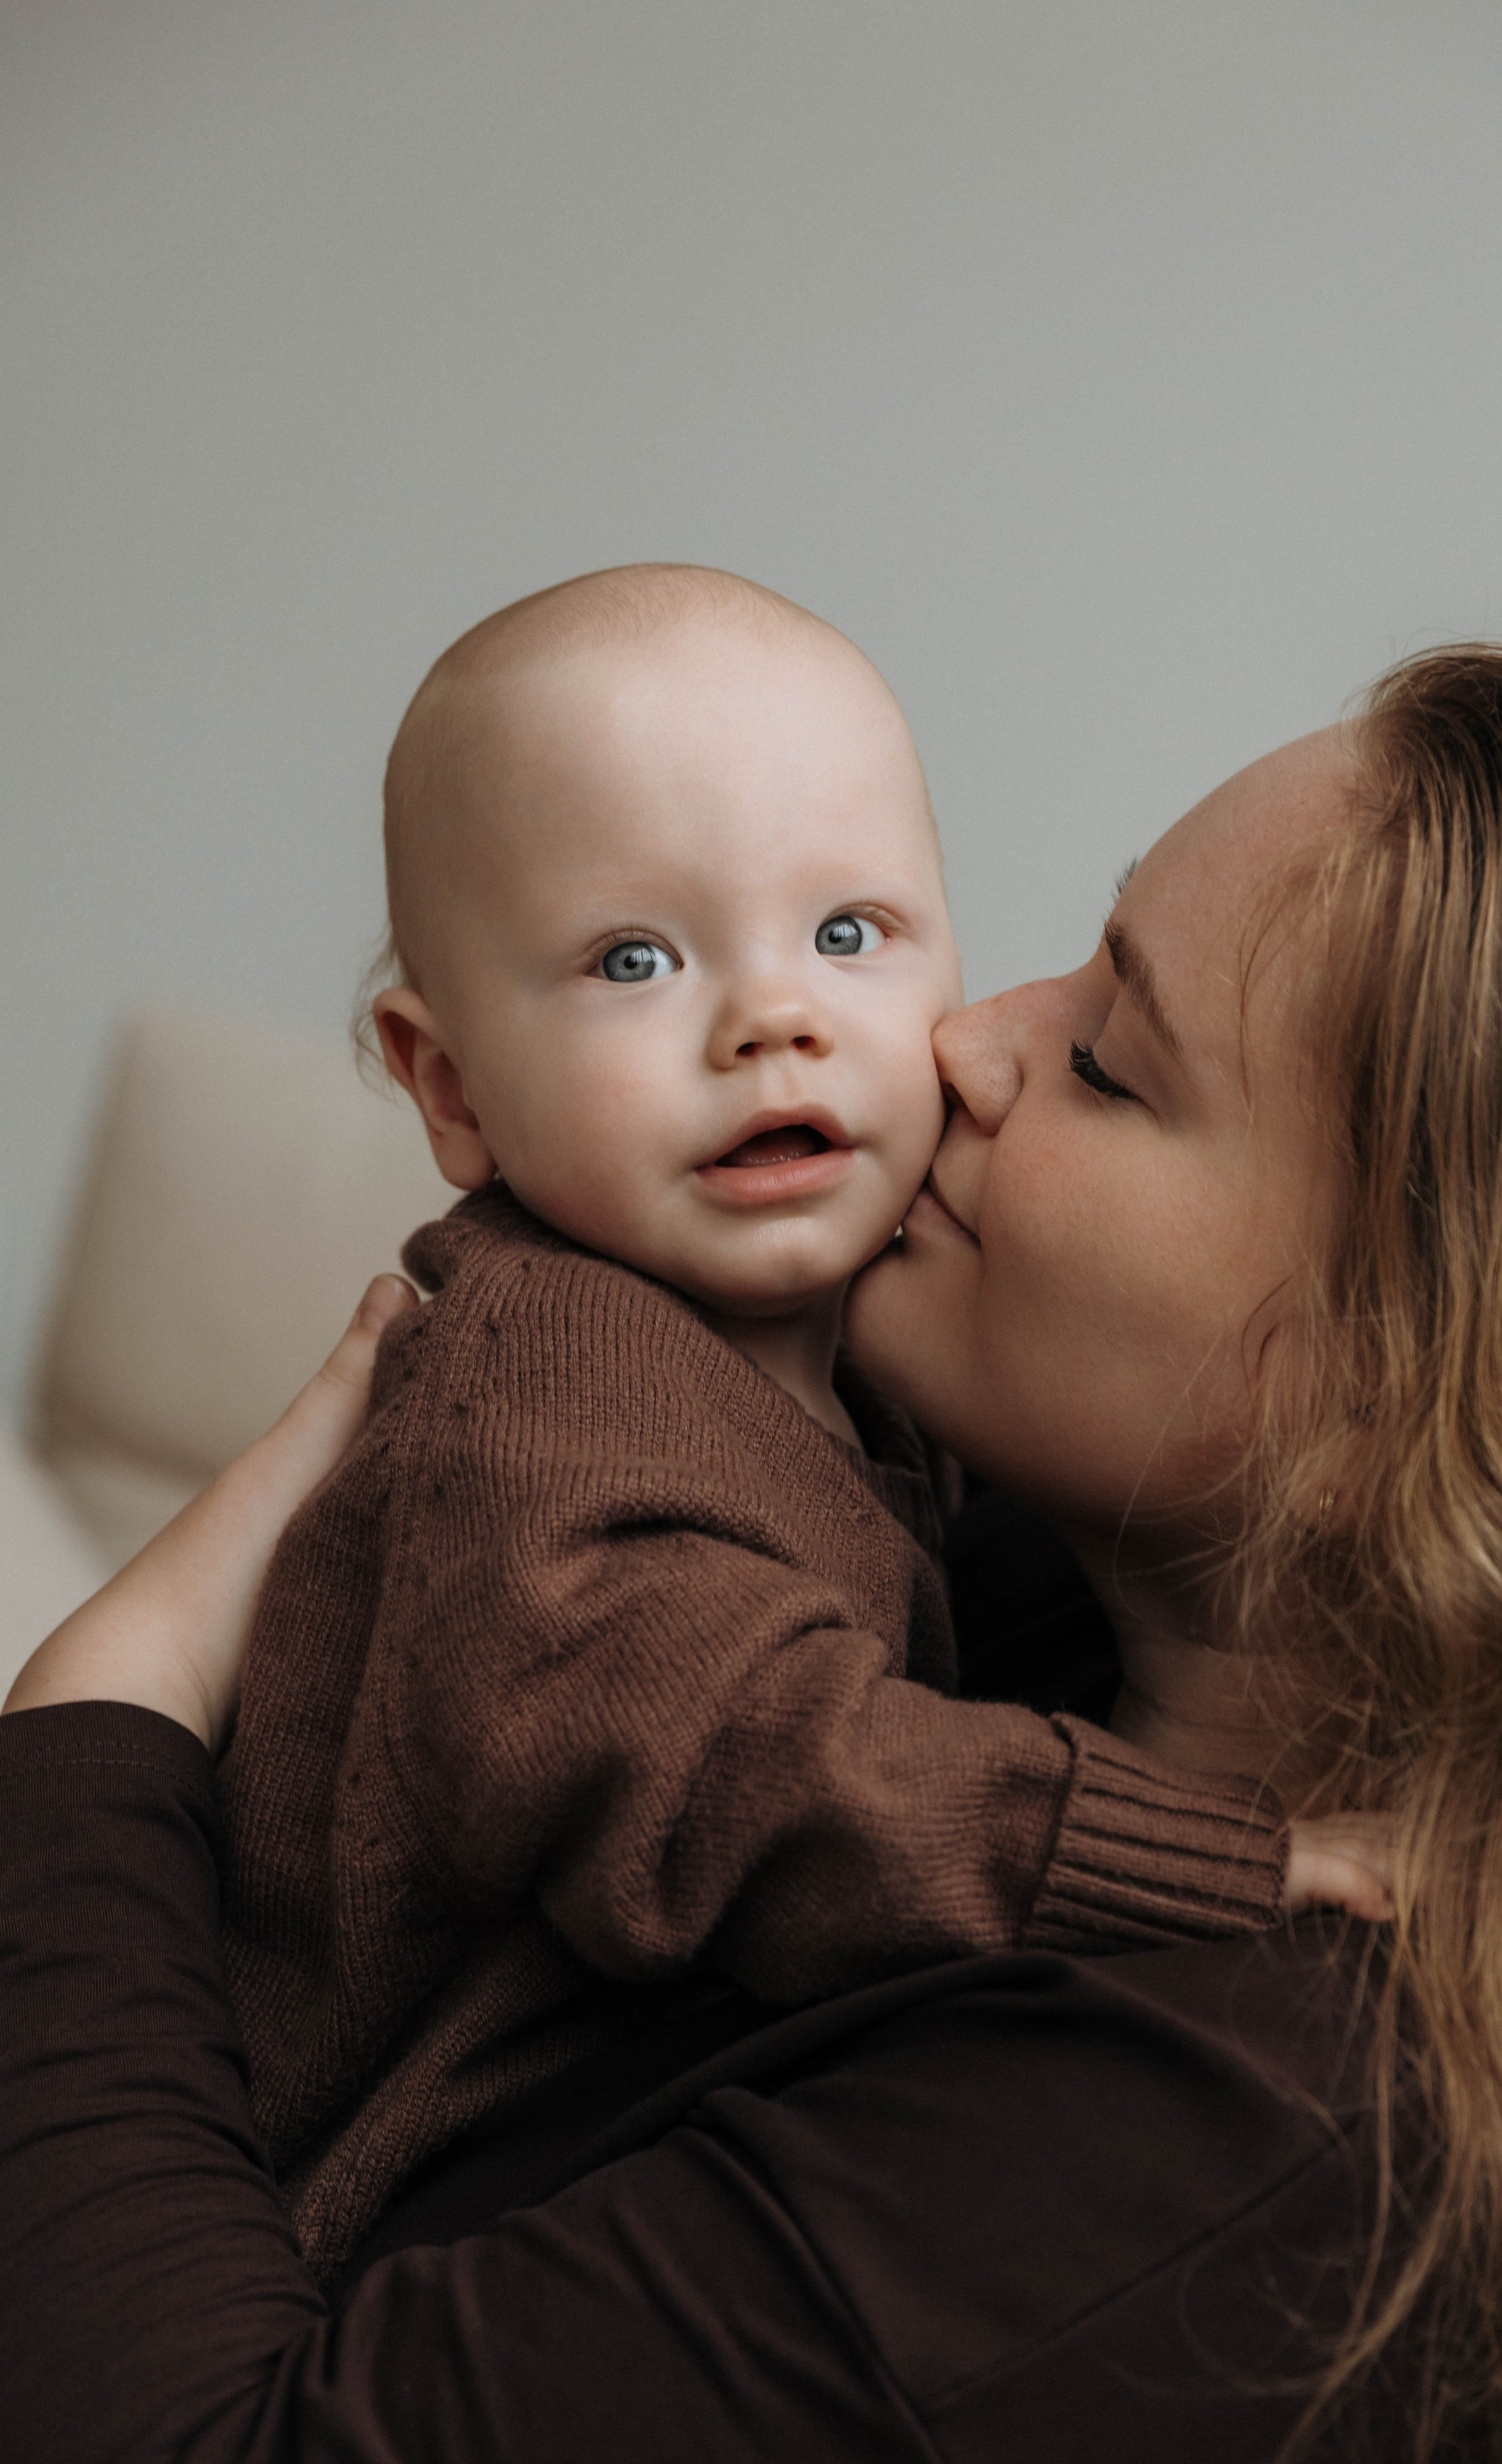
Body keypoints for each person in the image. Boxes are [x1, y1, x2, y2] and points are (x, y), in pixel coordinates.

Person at [7, 644, 1502, 2464]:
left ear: (1419, 1403)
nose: (957, 1046)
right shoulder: (998, 1580)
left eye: (1117, 1066)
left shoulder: (1212, 2175)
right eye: (1066, 962)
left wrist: (92, 1722)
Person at [220, 560, 1317, 2280]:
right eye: (634, 958)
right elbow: (745, 1779)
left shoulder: (869, 1339)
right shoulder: (547, 1382)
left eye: (848, 933)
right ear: (448, 1087)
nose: (771, 1018)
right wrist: (1226, 1857)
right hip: (349, 2227)